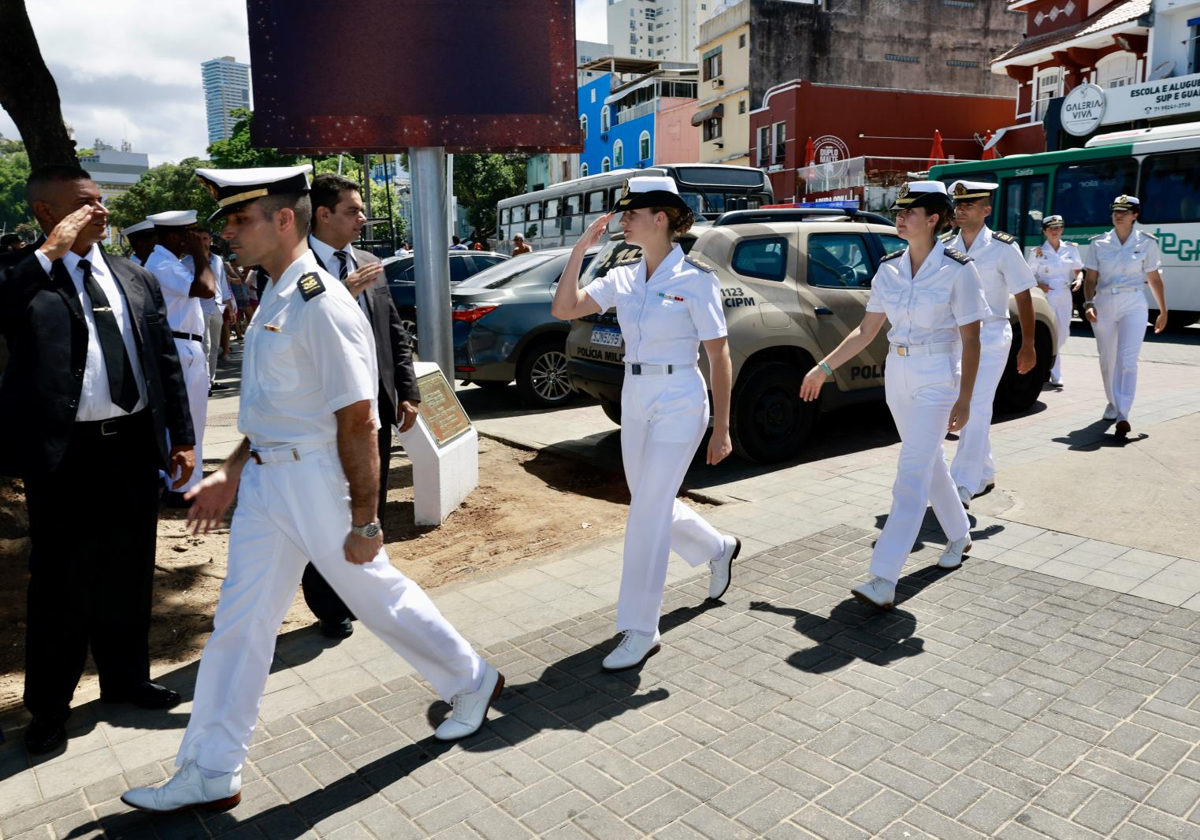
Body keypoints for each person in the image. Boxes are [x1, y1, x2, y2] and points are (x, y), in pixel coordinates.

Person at [122, 165, 502, 814]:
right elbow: (274, 409)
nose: (228, 235)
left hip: (316, 483)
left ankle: (471, 679)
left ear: (284, 220)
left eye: (240, 220)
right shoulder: (273, 293)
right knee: (239, 628)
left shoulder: (319, 302)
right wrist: (233, 470)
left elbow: (357, 419)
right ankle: (210, 769)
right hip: (269, 485)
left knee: (378, 597)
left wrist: (366, 520)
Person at [0, 165, 196, 753]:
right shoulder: (23, 276)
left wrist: (181, 438)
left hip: (133, 444)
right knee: (61, 579)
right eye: (86, 204)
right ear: (46, 212)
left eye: (101, 200)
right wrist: (47, 256)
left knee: (130, 568)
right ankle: (50, 708)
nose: (101, 210)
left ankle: (126, 678)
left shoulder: (134, 276)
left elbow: (162, 363)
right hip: (65, 455)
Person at [551, 176, 740, 671]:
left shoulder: (697, 280)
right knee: (651, 503)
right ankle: (718, 547)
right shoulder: (624, 276)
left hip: (680, 396)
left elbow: (720, 356)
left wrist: (722, 427)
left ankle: (639, 627)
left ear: (661, 219)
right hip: (635, 395)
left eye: (633, 212)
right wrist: (580, 252)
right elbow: (565, 308)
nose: (623, 219)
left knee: (646, 512)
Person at [800, 181, 988, 609]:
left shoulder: (959, 269)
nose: (899, 217)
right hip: (897, 372)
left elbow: (972, 340)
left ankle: (883, 577)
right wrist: (823, 366)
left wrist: (965, 399)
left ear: (934, 219)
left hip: (938, 375)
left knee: (910, 475)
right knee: (927, 463)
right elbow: (866, 331)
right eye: (899, 210)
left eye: (910, 211)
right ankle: (959, 535)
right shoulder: (889, 268)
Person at [303, 172, 422, 640]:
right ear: (323, 214)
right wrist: (342, 294)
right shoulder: (296, 265)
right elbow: (294, 329)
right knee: (327, 509)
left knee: (369, 504)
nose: (362, 218)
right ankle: (329, 605)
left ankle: (364, 588)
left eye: (361, 209)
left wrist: (407, 391)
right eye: (352, 210)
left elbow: (393, 330)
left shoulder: (370, 260)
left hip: (373, 407)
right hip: (323, 414)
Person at [944, 180, 1037, 509]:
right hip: (956, 338)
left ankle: (963, 484)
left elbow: (1024, 295)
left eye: (970, 203)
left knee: (975, 405)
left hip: (992, 335)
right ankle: (983, 471)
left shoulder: (1002, 247)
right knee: (963, 403)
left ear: (986, 210)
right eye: (958, 202)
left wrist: (1029, 345)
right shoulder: (945, 247)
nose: (961, 208)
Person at [143, 210, 216, 505]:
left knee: (191, 420)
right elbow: (206, 289)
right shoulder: (162, 263)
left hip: (185, 345)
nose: (197, 238)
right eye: (191, 233)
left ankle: (185, 483)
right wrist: (201, 255)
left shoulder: (169, 261)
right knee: (186, 421)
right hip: (179, 346)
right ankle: (180, 487)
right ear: (175, 236)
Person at [1082, 195, 1168, 439]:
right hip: (1104, 303)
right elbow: (1090, 279)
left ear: (1135, 216)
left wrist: (1163, 310)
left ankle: (1123, 414)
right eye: (1116, 211)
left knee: (1128, 359)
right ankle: (1112, 402)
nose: (1118, 215)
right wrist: (1088, 303)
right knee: (1107, 359)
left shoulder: (1147, 242)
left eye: (1125, 211)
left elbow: (1154, 278)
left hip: (1134, 303)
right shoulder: (1099, 243)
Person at [1028, 215, 1082, 387]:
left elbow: (1078, 270)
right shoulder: (1037, 252)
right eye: (1051, 228)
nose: (1055, 231)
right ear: (1044, 231)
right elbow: (1028, 276)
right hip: (1047, 296)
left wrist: (1079, 279)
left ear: (1062, 230)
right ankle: (1055, 373)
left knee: (1064, 333)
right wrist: (1040, 284)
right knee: (1052, 334)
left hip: (1065, 295)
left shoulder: (1071, 249)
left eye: (1058, 228)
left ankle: (1046, 364)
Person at [186, 227, 236, 395]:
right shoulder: (186, 262)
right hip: (199, 307)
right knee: (204, 346)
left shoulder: (218, 260)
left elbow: (222, 284)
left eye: (205, 238)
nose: (202, 241)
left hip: (217, 306)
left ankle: (211, 379)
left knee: (215, 346)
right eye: (199, 238)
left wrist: (229, 304)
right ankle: (204, 383)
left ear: (210, 240)